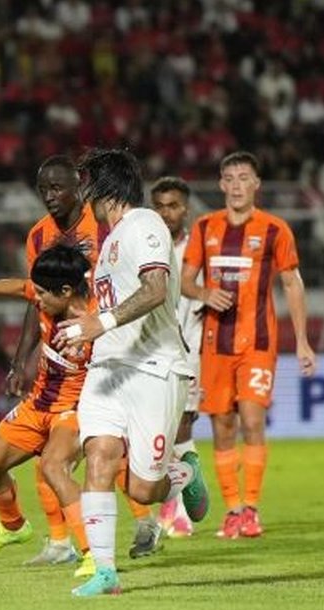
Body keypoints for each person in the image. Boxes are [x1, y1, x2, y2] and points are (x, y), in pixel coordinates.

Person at [54, 148, 209, 597]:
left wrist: (98, 323)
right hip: (107, 368)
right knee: (99, 455)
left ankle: (181, 473)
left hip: (154, 369)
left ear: (105, 188)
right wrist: (84, 331)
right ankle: (105, 571)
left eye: (87, 186)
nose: (83, 197)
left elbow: (156, 290)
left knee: (143, 489)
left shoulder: (145, 225)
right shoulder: (108, 244)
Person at [0, 155, 162, 561]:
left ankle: (139, 519)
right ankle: (66, 544)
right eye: (43, 190)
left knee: (96, 449)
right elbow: (36, 296)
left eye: (57, 189)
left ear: (78, 186)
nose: (50, 197)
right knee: (73, 451)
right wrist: (22, 359)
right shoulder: (38, 236)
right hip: (64, 355)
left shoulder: (105, 223)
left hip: (109, 346)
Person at [180, 151, 317, 541]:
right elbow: (185, 281)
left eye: (244, 177)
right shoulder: (205, 228)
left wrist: (303, 343)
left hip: (257, 342)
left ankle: (252, 509)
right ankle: (233, 510)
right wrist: (205, 293)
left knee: (253, 421)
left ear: (256, 184)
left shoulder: (275, 229)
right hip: (214, 345)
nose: (237, 185)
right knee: (222, 426)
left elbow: (292, 284)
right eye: (230, 178)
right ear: (221, 185)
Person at [0, 245, 100, 577]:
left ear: (66, 291)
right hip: (37, 404)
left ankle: (93, 552)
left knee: (53, 467)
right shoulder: (48, 295)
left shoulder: (97, 320)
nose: (37, 300)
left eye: (44, 294)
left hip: (73, 410)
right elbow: (19, 286)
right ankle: (13, 526)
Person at [150, 176, 203, 539]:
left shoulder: (200, 251)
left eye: (173, 206)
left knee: (182, 426)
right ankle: (173, 499)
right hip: (154, 352)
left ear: (186, 209)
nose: (167, 213)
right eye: (160, 206)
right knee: (157, 432)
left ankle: (178, 508)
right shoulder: (147, 247)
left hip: (192, 350)